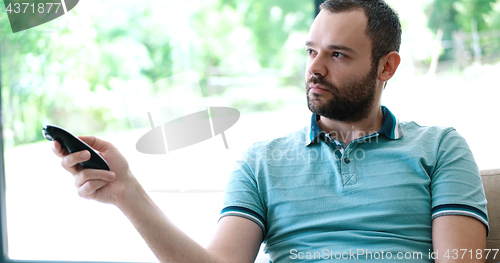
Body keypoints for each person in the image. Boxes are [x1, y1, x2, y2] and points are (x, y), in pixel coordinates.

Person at [53, 0, 489, 262]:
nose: (315, 69)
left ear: (386, 66)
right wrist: (128, 191)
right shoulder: (261, 162)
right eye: (311, 51)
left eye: (337, 55)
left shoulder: (440, 148)